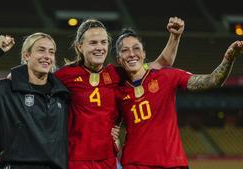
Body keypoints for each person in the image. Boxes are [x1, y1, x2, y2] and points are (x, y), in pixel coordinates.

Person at [54, 17, 184, 169]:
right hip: (76, 159)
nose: (99, 47)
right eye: (93, 43)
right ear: (79, 46)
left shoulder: (117, 74)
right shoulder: (64, 75)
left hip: (108, 160)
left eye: (104, 42)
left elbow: (161, 64)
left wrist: (175, 36)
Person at [114, 29, 243, 169]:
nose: (131, 54)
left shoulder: (167, 77)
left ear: (144, 54)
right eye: (125, 50)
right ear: (118, 58)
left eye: (136, 48)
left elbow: (212, 80)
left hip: (172, 164)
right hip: (135, 164)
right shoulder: (116, 91)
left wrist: (228, 59)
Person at [0, 33, 69, 169]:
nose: (47, 56)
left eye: (51, 52)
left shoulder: (62, 94)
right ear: (26, 55)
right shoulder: (5, 91)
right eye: (41, 50)